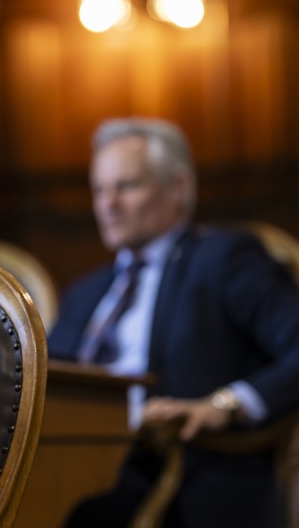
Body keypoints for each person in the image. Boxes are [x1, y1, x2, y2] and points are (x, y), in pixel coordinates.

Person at [48, 117, 299, 527]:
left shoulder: (222, 259)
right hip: (70, 465)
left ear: (178, 188)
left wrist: (225, 404)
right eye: (98, 189)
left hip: (182, 474)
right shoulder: (84, 293)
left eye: (127, 186)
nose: (108, 204)